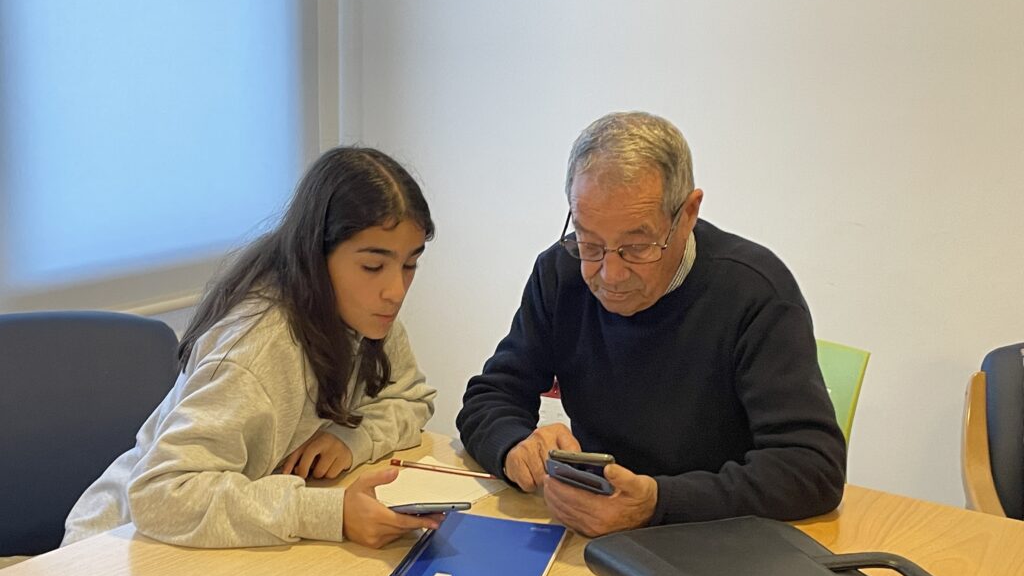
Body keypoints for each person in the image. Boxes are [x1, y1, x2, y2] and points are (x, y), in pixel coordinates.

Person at [457, 111, 846, 537]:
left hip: (720, 540)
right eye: (590, 244)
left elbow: (812, 467)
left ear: (689, 213)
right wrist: (514, 447)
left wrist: (659, 502)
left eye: (637, 247)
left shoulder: (754, 292)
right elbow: (491, 395)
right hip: (592, 533)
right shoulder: (561, 274)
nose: (610, 274)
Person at [64, 147, 440, 549]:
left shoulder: (367, 315)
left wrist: (351, 440)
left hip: (214, 541)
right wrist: (331, 513)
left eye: (410, 264)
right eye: (372, 266)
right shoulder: (261, 348)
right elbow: (160, 494)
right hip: (115, 551)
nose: (395, 291)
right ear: (316, 256)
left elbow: (412, 398)